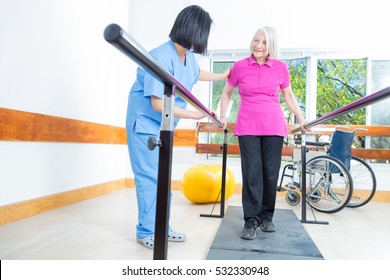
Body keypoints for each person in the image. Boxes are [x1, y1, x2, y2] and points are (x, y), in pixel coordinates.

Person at [126, 5, 229, 249]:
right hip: (144, 124)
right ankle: (146, 231)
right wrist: (195, 114)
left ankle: (162, 226)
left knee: (163, 178)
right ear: (193, 30)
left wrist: (222, 76)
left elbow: (195, 74)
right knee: (149, 178)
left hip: (163, 127)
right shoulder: (161, 55)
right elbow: (158, 103)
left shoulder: (187, 56)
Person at [218, 26, 306, 240]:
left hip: (274, 126)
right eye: (256, 40)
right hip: (247, 126)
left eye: (264, 42)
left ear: (271, 46)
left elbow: (289, 96)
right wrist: (222, 116)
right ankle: (251, 220)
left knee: (270, 172)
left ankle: (267, 215)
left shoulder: (280, 68)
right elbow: (227, 93)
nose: (258, 45)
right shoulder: (239, 66)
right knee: (252, 173)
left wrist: (301, 119)